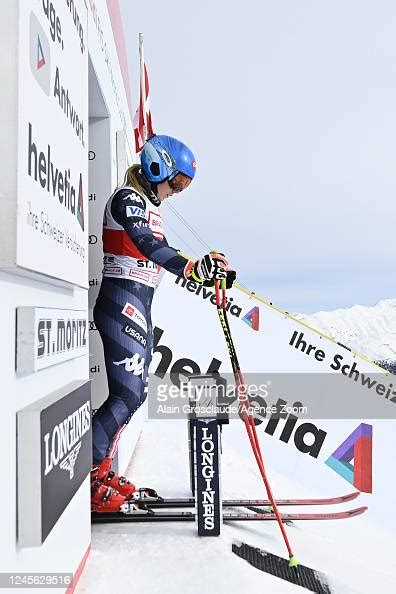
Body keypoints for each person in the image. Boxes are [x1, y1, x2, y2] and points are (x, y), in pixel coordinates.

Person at [91, 134, 236, 512]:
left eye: (184, 186)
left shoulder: (150, 205)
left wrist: (208, 271)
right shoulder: (127, 199)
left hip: (138, 304)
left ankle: (100, 468)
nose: (177, 192)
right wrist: (192, 266)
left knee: (133, 395)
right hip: (121, 303)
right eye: (176, 182)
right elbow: (148, 246)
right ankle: (88, 477)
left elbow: (161, 252)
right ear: (157, 166)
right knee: (126, 396)